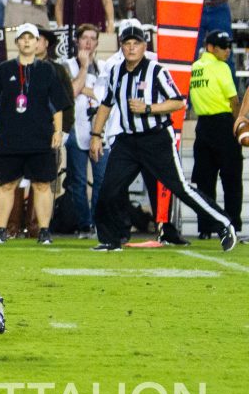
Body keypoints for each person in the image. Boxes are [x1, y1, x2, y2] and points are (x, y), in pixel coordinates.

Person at [89, 22, 238, 252]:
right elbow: (106, 104)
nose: (131, 48)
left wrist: (148, 108)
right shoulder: (116, 71)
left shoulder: (156, 71)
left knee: (180, 188)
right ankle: (111, 239)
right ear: (121, 47)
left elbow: (179, 102)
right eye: (127, 44)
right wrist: (96, 135)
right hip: (127, 139)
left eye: (135, 44)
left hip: (156, 138)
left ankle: (224, 223)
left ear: (144, 46)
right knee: (109, 188)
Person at [0, 23, 67, 245]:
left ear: (38, 42)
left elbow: (57, 105)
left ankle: (44, 230)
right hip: (9, 135)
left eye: (31, 38)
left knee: (43, 184)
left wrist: (58, 131)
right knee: (7, 184)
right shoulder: (4, 69)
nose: (27, 42)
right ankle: (1, 230)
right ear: (17, 42)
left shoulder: (48, 70)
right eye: (23, 38)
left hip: (40, 136)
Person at [189, 30, 243, 240]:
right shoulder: (222, 67)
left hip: (202, 127)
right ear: (211, 47)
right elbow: (233, 100)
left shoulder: (194, 68)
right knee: (231, 180)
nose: (228, 51)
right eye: (223, 46)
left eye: (229, 46)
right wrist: (239, 124)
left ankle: (205, 228)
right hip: (224, 125)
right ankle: (233, 226)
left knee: (204, 181)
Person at [63, 24, 108, 236]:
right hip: (75, 128)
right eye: (85, 38)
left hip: (100, 130)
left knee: (101, 180)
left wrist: (86, 90)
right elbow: (70, 91)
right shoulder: (68, 66)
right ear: (77, 41)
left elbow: (106, 97)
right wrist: (83, 67)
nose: (88, 42)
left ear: (98, 43)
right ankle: (84, 224)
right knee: (78, 182)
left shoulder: (104, 67)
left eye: (93, 38)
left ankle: (99, 221)